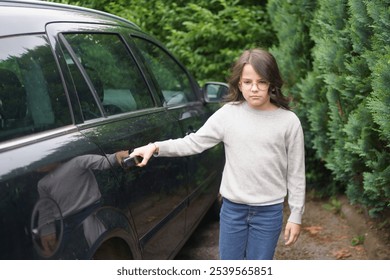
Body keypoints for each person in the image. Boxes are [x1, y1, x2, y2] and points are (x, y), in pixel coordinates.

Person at [130, 48, 306, 260]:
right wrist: (156, 147)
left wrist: (296, 215)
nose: (254, 89)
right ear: (239, 84)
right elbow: (193, 143)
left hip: (269, 213)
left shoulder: (288, 122)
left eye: (262, 82)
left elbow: (296, 173)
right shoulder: (228, 115)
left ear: (272, 84)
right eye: (248, 82)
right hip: (233, 211)